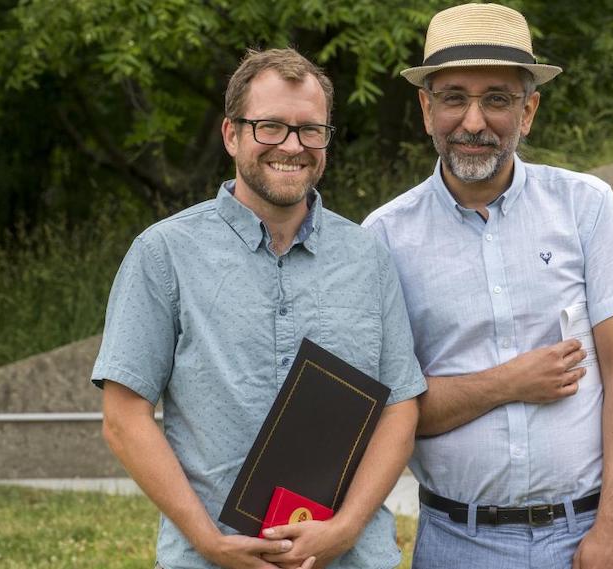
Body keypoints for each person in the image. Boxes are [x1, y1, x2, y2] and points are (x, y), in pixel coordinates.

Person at [93, 48, 425, 569]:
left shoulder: (369, 257)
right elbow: (124, 416)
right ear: (231, 134)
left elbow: (400, 408)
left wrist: (345, 529)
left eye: (310, 130)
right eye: (270, 127)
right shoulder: (163, 255)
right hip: (209, 556)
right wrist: (208, 540)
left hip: (352, 557)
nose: (292, 146)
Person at [362, 4, 613, 569]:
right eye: (453, 97)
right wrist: (508, 382)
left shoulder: (586, 207)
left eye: (497, 98)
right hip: (455, 542)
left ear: (529, 111)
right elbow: (388, 408)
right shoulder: (383, 238)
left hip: (586, 536)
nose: (473, 122)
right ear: (426, 109)